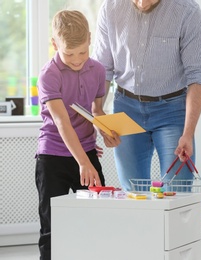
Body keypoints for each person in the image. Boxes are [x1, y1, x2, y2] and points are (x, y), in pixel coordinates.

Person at [92, 0, 201, 191]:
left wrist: (188, 133)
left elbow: (198, 75)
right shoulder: (110, 8)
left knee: (177, 191)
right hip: (126, 107)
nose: (142, 3)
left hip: (172, 110)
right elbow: (103, 68)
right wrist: (97, 110)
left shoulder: (187, 11)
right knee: (133, 193)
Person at [35, 10, 120, 260]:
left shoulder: (97, 70)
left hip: (86, 152)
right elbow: (62, 122)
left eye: (82, 52)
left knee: (99, 218)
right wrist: (83, 161)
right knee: (52, 226)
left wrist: (106, 132)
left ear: (90, 39)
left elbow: (96, 110)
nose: (77, 60)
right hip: (52, 157)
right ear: (54, 44)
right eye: (69, 54)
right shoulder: (48, 74)